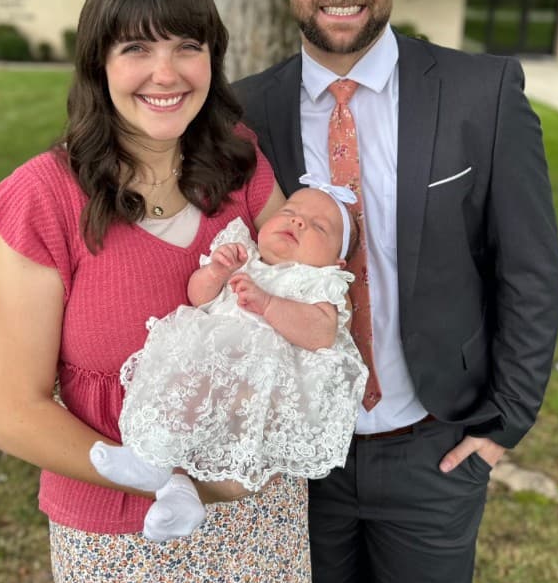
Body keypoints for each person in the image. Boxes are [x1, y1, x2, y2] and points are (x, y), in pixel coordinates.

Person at [234, 0, 558, 583]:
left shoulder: (480, 95)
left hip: (430, 450)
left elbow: (529, 269)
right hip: (292, 468)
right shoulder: (242, 115)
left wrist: (502, 424)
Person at [0, 0, 320, 583]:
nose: (166, 73)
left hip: (255, 515)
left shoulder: (241, 169)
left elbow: (298, 309)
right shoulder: (45, 199)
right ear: (98, 64)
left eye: (186, 46)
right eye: (136, 47)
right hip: (124, 534)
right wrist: (162, 477)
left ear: (211, 57)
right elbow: (14, 413)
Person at [91, 177, 368, 541]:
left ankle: (163, 469)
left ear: (336, 260)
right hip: (213, 368)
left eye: (318, 226)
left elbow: (320, 333)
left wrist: (268, 304)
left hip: (262, 385)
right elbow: (199, 298)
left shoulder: (318, 282)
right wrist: (215, 272)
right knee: (179, 395)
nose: (298, 221)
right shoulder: (243, 255)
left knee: (209, 416)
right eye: (290, 212)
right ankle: (166, 478)